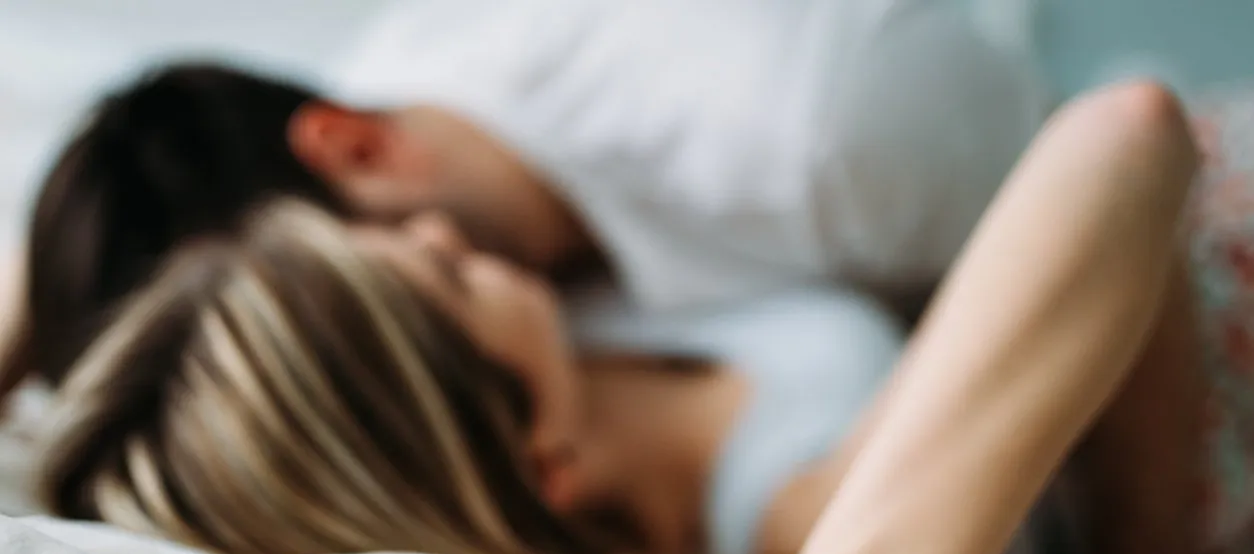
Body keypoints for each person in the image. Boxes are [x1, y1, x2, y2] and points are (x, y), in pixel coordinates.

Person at [36, 78, 1214, 554]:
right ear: (532, 449)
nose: (451, 232)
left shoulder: (584, 325)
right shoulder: (800, 512)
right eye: (450, 273)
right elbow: (1122, 135)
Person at [10, 0, 1047, 391]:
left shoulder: (824, 132)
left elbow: (1109, 227)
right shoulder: (394, 99)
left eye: (339, 296)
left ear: (355, 148)